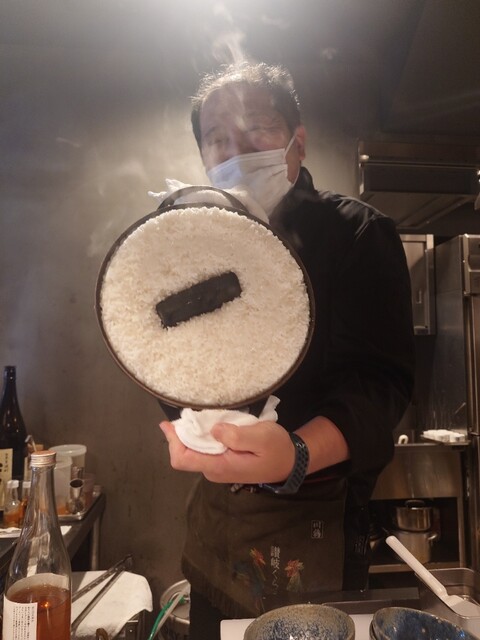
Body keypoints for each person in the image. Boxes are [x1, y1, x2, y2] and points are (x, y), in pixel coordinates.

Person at [159, 61, 415, 639]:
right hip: (214, 526)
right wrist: (186, 421)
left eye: (258, 128)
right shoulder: (196, 241)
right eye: (217, 138)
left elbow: (379, 386)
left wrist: (295, 453)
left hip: (318, 521)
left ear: (298, 141)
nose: (236, 149)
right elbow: (168, 353)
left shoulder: (357, 233)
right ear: (202, 156)